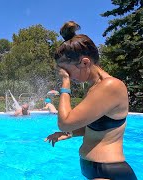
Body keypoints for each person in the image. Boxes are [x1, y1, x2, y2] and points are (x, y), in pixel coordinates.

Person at [44, 21, 137, 179]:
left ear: (85, 62)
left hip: (109, 172)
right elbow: (96, 128)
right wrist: (70, 134)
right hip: (95, 169)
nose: (67, 76)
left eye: (67, 71)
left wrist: (65, 84)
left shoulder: (111, 86)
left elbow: (65, 121)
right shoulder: (95, 87)